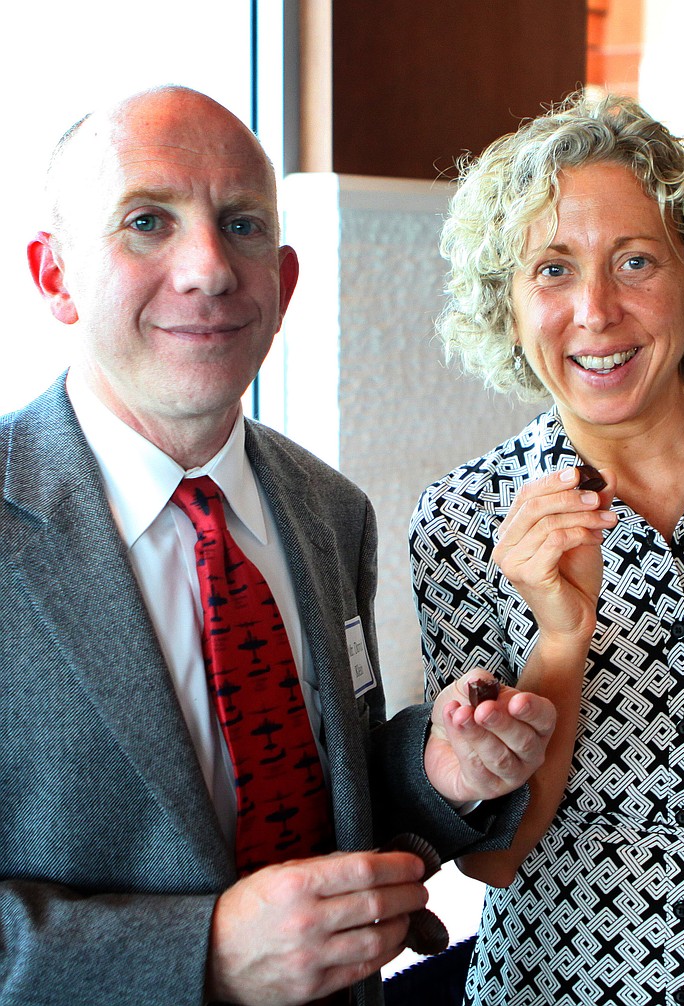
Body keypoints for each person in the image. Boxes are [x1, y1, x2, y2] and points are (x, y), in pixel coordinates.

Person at [0, 85, 558, 1006]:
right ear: (54, 275)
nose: (209, 269)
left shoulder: (328, 511)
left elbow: (324, 803)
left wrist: (438, 773)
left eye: (243, 225)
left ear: (286, 281)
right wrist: (202, 955)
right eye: (147, 221)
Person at [408, 91, 684, 1005]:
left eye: (636, 261)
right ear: (509, 301)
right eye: (553, 269)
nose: (596, 311)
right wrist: (561, 639)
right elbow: (496, 859)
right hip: (554, 987)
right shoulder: (466, 521)